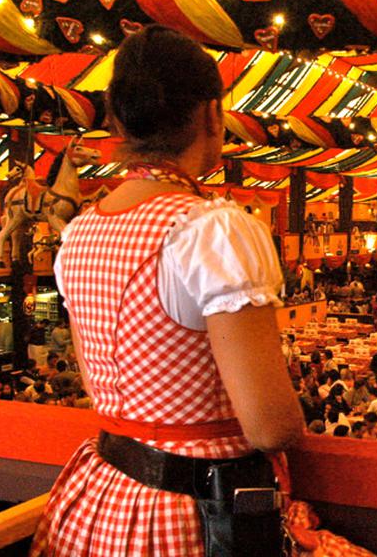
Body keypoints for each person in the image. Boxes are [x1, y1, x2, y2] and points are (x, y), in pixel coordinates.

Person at [31, 27, 305, 555]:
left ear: (117, 120)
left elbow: (103, 387)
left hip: (102, 495)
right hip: (193, 513)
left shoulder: (81, 232)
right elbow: (271, 426)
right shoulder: (210, 230)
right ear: (210, 115)